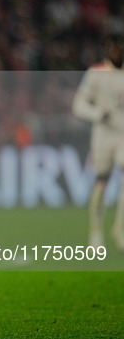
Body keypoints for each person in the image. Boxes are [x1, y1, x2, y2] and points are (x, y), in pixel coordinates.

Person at [73, 34, 124, 251]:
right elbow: (78, 105)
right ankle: (95, 229)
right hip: (103, 135)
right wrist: (97, 113)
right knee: (102, 181)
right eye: (112, 48)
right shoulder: (96, 73)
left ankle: (120, 229)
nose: (116, 52)